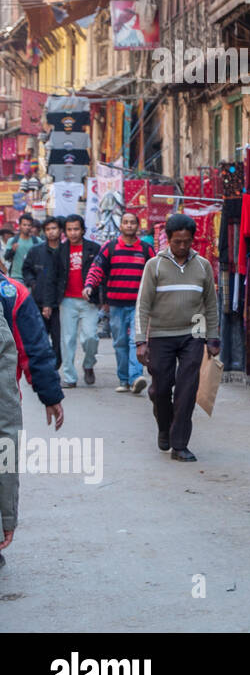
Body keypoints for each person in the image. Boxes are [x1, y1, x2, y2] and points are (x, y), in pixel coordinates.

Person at [135, 214, 219, 462]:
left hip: (193, 334)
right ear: (168, 240)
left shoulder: (203, 265)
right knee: (161, 389)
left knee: (187, 390)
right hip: (161, 335)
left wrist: (213, 337)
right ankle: (164, 426)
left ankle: (180, 444)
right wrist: (141, 341)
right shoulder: (155, 265)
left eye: (187, 242)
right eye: (177, 242)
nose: (182, 247)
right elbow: (143, 305)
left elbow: (211, 305)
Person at [0, 269, 65, 569]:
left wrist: (50, 393)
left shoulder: (11, 294)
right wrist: (50, 395)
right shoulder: (11, 292)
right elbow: (34, 348)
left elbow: (33, 348)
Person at [84, 212, 154, 393]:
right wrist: (89, 285)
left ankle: (135, 377)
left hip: (139, 306)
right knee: (120, 342)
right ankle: (124, 379)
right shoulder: (110, 247)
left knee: (135, 342)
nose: (129, 225)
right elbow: (97, 268)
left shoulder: (146, 249)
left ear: (137, 226)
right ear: (121, 226)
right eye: (125, 222)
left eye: (132, 222)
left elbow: (155, 275)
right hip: (115, 305)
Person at [57, 215, 103, 388]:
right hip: (67, 301)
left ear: (83, 230)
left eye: (76, 229)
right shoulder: (60, 250)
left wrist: (102, 298)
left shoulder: (94, 248)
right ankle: (69, 378)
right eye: (69, 229)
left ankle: (88, 364)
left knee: (91, 337)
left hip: (88, 301)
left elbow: (102, 273)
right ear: (65, 231)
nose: (73, 232)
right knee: (67, 340)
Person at [23, 217, 66, 369]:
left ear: (60, 230)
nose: (51, 232)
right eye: (48, 229)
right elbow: (26, 269)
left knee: (58, 337)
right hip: (39, 300)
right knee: (41, 336)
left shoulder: (65, 250)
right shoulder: (36, 251)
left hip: (61, 302)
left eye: (54, 228)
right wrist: (33, 283)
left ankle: (56, 364)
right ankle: (46, 366)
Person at [4, 215, 38, 282]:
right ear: (19, 226)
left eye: (29, 225)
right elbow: (6, 257)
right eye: (24, 225)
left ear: (31, 227)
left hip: (32, 278)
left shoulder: (37, 241)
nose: (27, 227)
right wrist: (12, 250)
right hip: (16, 277)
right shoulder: (12, 241)